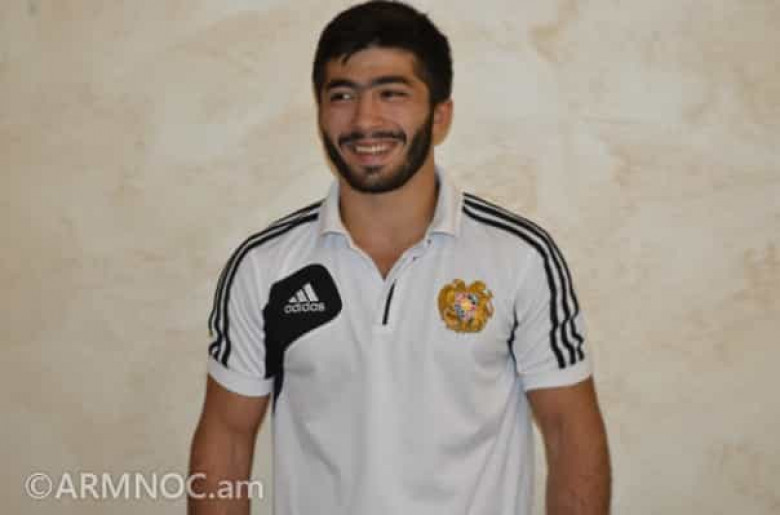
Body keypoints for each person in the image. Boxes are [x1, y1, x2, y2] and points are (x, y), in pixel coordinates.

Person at [188, 1, 611, 514]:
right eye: (342, 95)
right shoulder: (265, 266)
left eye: (392, 93)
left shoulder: (519, 257)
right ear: (319, 111)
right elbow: (227, 440)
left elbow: (570, 435)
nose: (365, 120)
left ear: (440, 115)